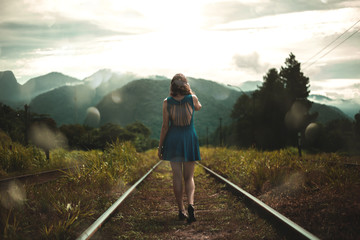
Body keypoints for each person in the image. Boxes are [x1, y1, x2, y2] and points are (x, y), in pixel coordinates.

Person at [158, 73, 202, 223]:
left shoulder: (167, 102)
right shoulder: (192, 99)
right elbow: (199, 108)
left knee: (177, 176)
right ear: (185, 85)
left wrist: (160, 147)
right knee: (189, 177)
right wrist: (190, 91)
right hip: (189, 138)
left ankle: (181, 210)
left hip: (173, 140)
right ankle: (191, 204)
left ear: (172, 86)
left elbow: (165, 127)